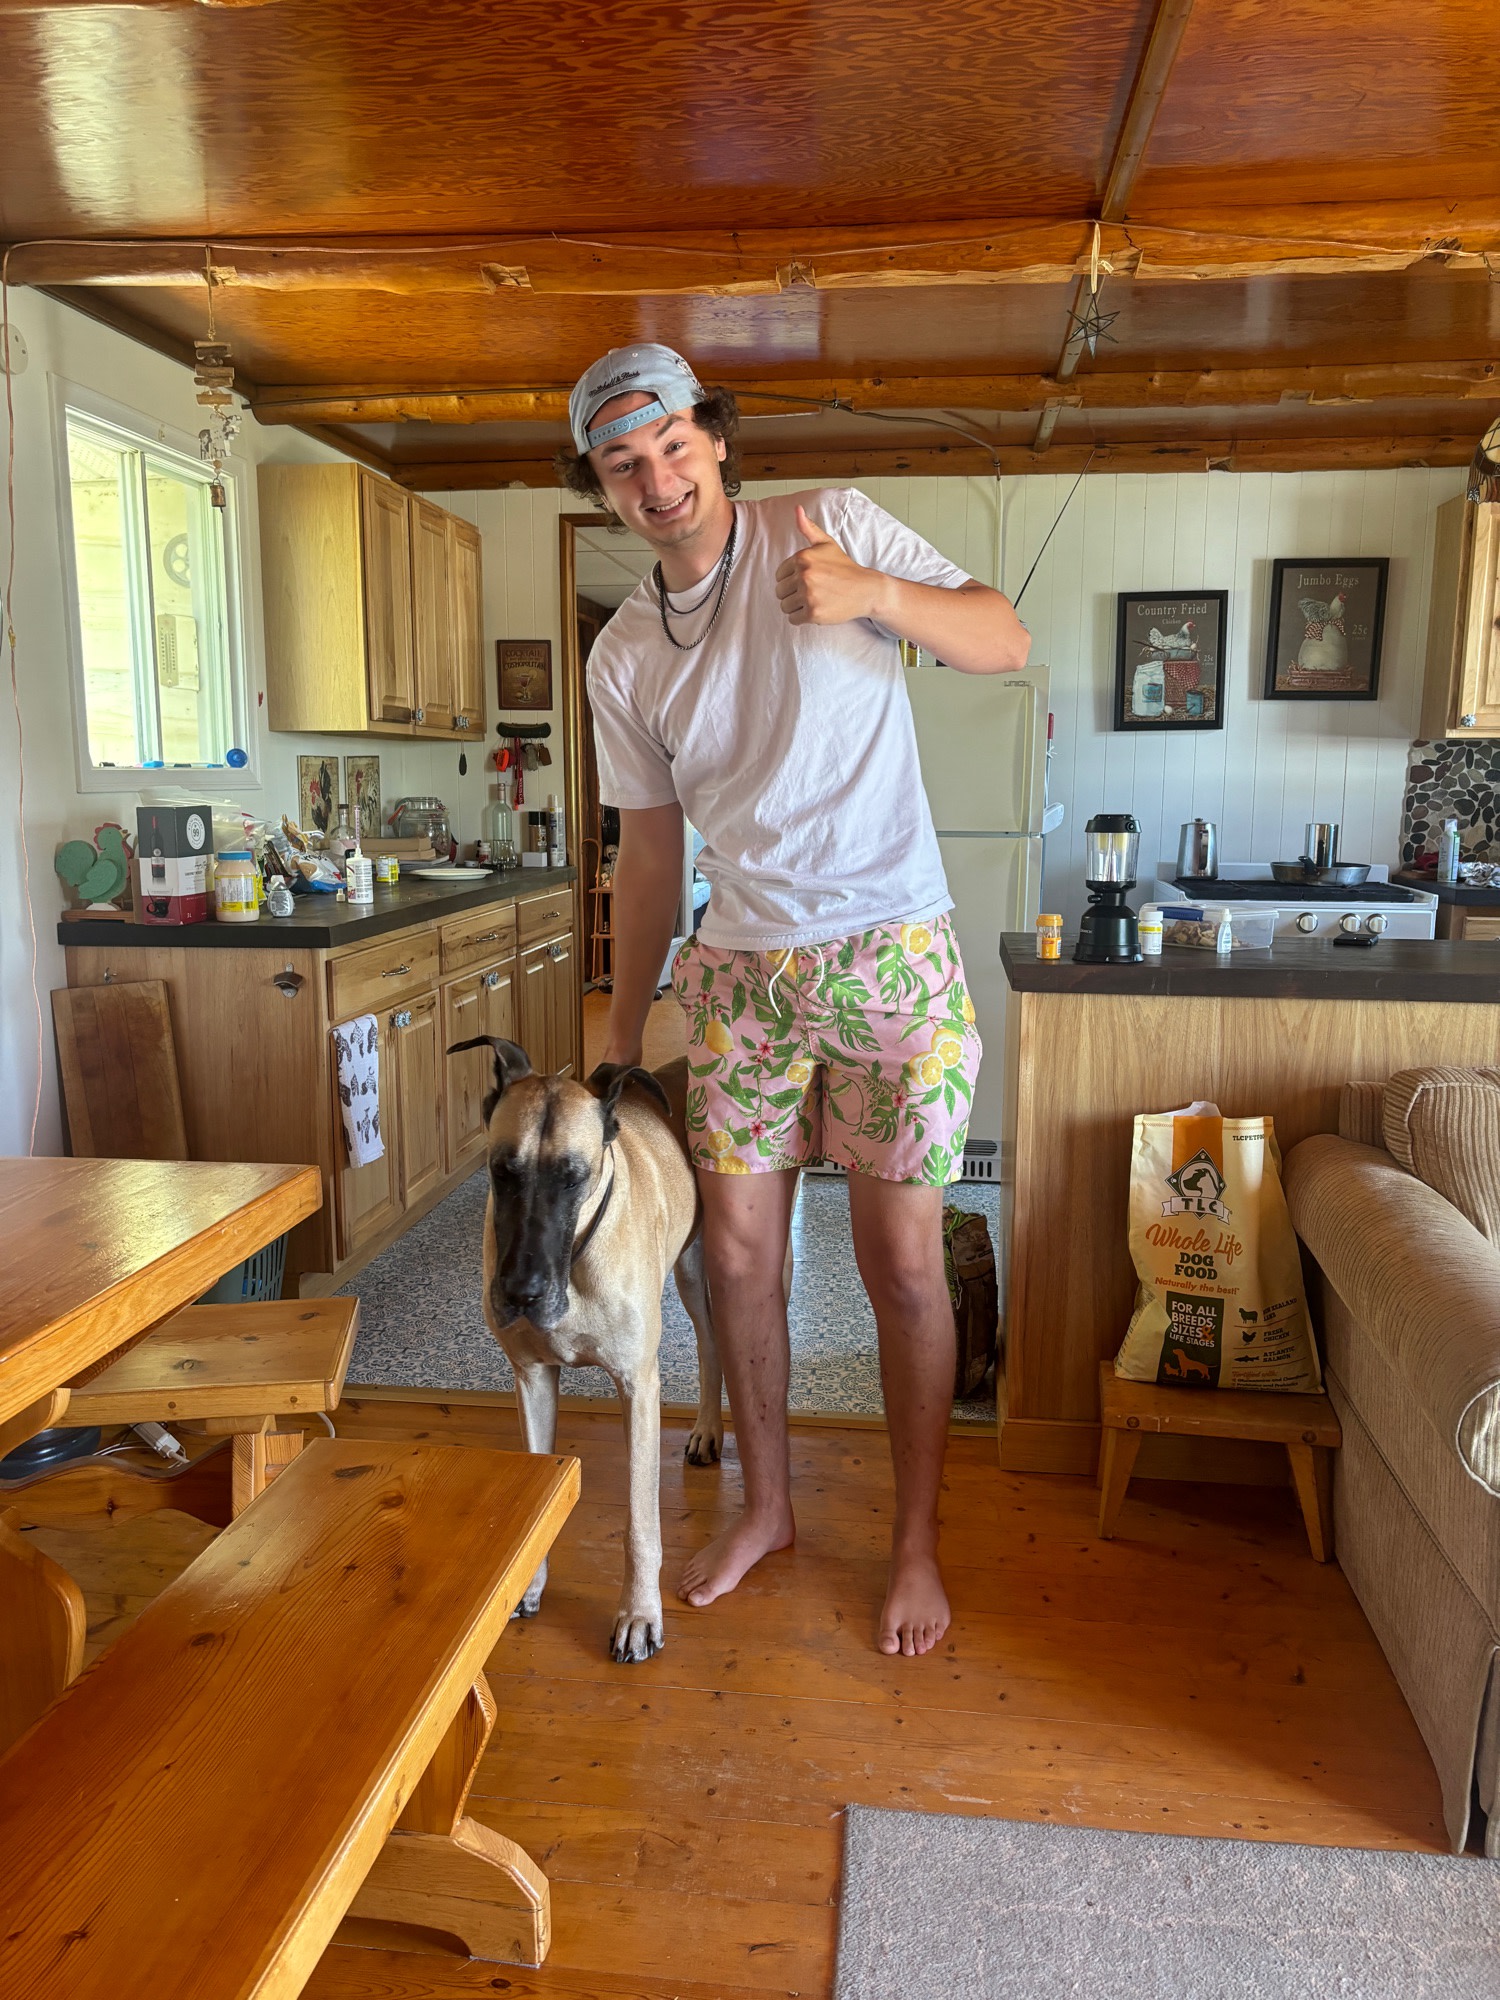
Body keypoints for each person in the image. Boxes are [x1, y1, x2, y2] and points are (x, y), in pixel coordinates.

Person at [559, 343, 1030, 1657]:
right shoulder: (623, 655)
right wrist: (617, 1036)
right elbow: (649, 855)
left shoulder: (829, 526)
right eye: (623, 465)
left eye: (672, 445)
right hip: (741, 983)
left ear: (713, 437)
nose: (657, 480)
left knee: (904, 1264)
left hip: (892, 960)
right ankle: (767, 1508)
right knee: (738, 1259)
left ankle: (916, 1540)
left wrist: (877, 593)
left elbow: (1002, 638)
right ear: (602, 486)